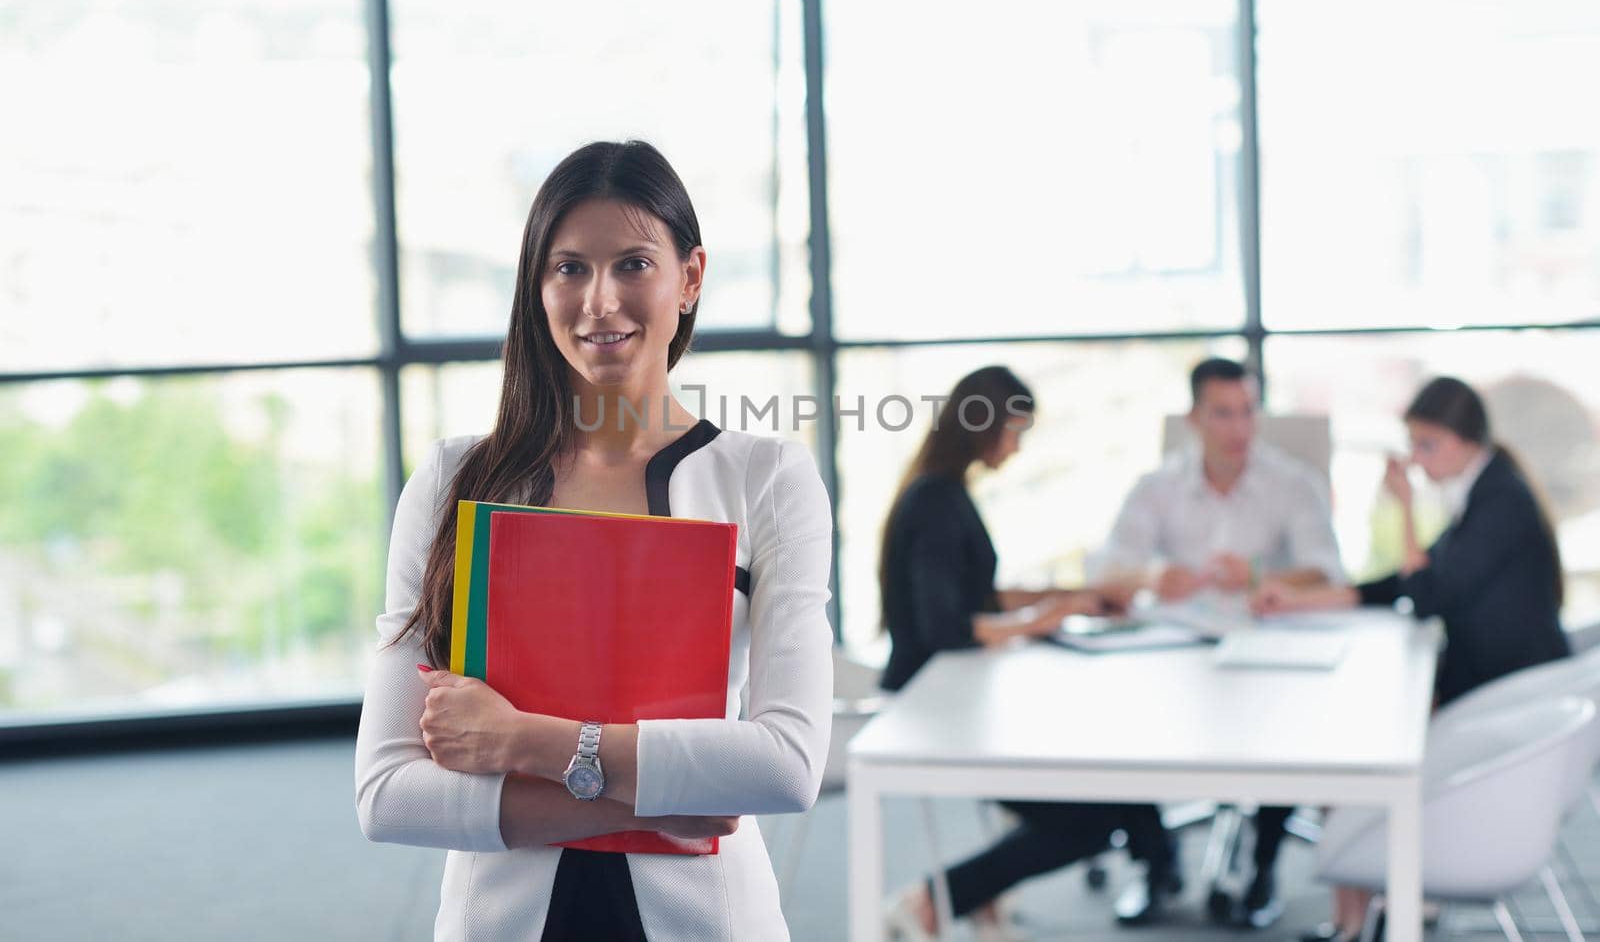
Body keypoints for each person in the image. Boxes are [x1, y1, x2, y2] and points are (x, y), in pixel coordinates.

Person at [353, 140, 834, 941]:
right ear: (536, 288)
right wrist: (667, 797)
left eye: (634, 265)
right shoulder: (452, 481)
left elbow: (786, 764)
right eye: (569, 268)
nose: (600, 302)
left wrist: (528, 742)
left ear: (691, 278)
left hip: (706, 919)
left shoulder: (767, 480)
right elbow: (387, 792)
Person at [1252, 375, 1570, 942]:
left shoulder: (1499, 502)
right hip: (1489, 687)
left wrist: (1402, 509)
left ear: (1467, 439)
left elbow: (1427, 595)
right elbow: (1408, 581)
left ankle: (1365, 909)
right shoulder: (1486, 489)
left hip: (1500, 702)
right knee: (1355, 738)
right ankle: (1355, 917)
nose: (1417, 462)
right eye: (1414, 446)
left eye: (1428, 446)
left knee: (1357, 745)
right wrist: (1308, 599)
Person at [879, 365, 1154, 941]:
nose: (1019, 446)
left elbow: (979, 596)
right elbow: (947, 627)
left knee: (1099, 781)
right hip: (933, 708)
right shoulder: (936, 500)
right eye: (1016, 431)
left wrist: (1071, 599)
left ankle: (982, 898)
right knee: (1088, 820)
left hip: (955, 694)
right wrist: (1045, 618)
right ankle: (934, 901)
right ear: (984, 426)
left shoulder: (945, 491)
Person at [1091, 357, 1346, 929]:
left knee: (1286, 727)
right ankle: (1157, 862)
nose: (1240, 429)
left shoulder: (1291, 482)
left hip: (1268, 651)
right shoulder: (1157, 487)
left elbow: (1327, 571)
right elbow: (1108, 569)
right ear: (1194, 419)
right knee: (1114, 724)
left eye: (1249, 413)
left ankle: (1262, 868)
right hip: (1174, 652)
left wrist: (1261, 577)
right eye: (1224, 414)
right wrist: (1155, 576)